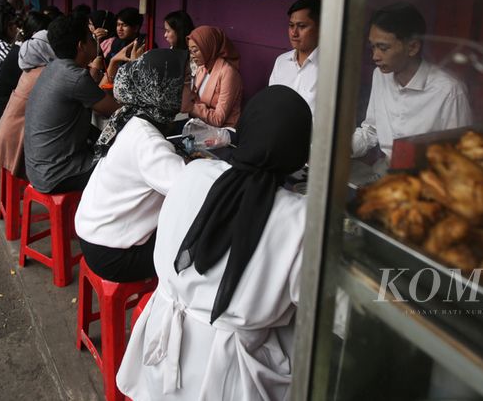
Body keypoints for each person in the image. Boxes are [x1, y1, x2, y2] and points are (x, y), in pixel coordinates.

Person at [116, 86, 312, 400]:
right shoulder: (299, 219)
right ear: (298, 150)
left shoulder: (194, 172)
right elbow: (317, 302)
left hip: (158, 355)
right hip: (228, 376)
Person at [75, 49, 192, 283]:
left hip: (94, 234)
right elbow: (191, 190)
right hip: (113, 254)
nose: (194, 88)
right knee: (197, 245)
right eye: (187, 80)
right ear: (165, 89)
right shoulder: (148, 142)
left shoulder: (133, 117)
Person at [351, 2, 472, 171]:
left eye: (383, 48)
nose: (375, 56)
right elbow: (371, 130)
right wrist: (339, 148)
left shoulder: (449, 91)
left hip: (428, 179)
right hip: (385, 172)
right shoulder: (380, 76)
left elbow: (460, 156)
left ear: (413, 47)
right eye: (373, 47)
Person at [23, 14, 120, 194]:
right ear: (81, 46)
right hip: (58, 174)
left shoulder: (54, 67)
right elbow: (116, 111)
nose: (95, 41)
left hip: (38, 170)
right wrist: (114, 63)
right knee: (125, 168)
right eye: (91, 38)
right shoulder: (75, 77)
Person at [0, 19, 58, 182]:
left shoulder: (28, 65)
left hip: (6, 130)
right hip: (17, 138)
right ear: (46, 49)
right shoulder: (43, 73)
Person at [0, 11, 54, 115]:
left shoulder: (22, 48)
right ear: (37, 34)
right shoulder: (26, 55)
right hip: (11, 110)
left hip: (8, 105)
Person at [269, 0, 320, 113]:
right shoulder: (281, 62)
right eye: (291, 25)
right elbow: (271, 103)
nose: (294, 33)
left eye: (302, 26)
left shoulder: (330, 69)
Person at [187, 26, 243, 127]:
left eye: (195, 51)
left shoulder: (228, 73)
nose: (192, 56)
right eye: (190, 51)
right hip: (202, 125)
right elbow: (195, 99)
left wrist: (191, 107)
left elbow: (218, 119)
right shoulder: (202, 67)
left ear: (208, 47)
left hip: (223, 133)